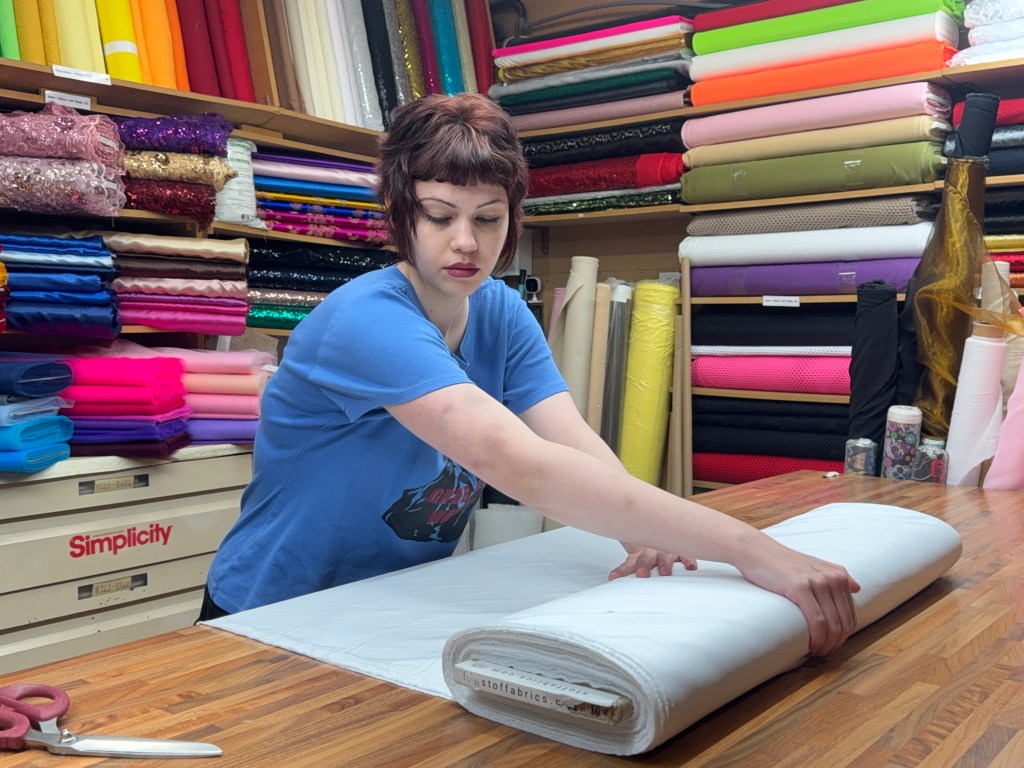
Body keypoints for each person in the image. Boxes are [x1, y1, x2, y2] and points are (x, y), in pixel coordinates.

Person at [200, 93, 860, 657]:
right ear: (402, 216)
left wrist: (643, 531)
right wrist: (753, 550)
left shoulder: (500, 312)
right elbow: (521, 465)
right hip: (270, 614)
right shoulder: (365, 322)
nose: (466, 241)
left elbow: (570, 443)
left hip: (387, 603)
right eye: (440, 216)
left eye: (488, 219)